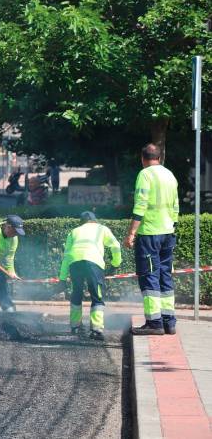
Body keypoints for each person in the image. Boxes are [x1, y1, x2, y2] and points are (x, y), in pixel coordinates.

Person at [125, 144, 179, 336]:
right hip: (168, 232)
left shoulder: (145, 175)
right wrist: (172, 227)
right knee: (165, 276)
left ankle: (154, 322)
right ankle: (169, 322)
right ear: (160, 156)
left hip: (149, 233)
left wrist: (131, 233)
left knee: (149, 276)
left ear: (143, 158)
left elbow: (140, 206)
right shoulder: (169, 175)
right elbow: (175, 206)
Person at [59, 212, 122, 340]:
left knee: (77, 293)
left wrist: (62, 278)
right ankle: (96, 330)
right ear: (95, 221)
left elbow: (66, 256)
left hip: (74, 262)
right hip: (94, 262)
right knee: (96, 295)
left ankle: (75, 327)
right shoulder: (102, 229)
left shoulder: (74, 231)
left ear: (81, 222)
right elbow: (116, 246)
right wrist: (115, 264)